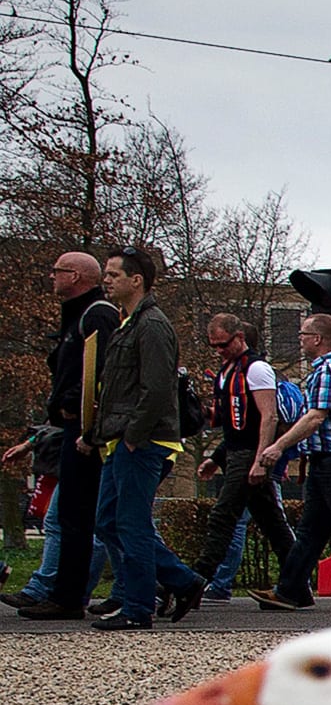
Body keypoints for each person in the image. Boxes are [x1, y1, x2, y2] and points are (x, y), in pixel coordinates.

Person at [78, 248, 208, 630]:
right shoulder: (128, 323)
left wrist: (134, 435)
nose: (107, 280)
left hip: (142, 442)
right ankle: (182, 581)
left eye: (114, 274)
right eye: (106, 274)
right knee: (108, 521)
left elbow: (155, 389)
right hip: (122, 440)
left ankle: (138, 608)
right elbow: (121, 388)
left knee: (130, 524)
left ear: (137, 280)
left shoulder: (151, 326)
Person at [246, 315, 331, 613]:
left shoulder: (327, 371)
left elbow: (315, 417)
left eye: (304, 333)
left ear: (318, 339)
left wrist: (279, 446)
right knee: (313, 529)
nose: (300, 338)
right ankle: (289, 590)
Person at [17, 250, 119, 618]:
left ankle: (69, 596)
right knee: (67, 515)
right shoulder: (79, 318)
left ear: (75, 276)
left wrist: (77, 406)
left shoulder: (97, 315)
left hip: (86, 428)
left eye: (57, 271)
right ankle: (59, 590)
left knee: (81, 515)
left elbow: (107, 369)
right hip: (74, 426)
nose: (52, 277)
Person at [177, 311, 296, 603]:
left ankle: (198, 580)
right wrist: (217, 457)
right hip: (237, 452)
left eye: (223, 344)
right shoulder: (227, 371)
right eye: (213, 345)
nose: (218, 350)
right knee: (272, 523)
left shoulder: (256, 369)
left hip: (248, 455)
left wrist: (259, 460)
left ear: (239, 338)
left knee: (224, 515)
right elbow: (232, 421)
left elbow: (267, 417)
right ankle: (298, 582)